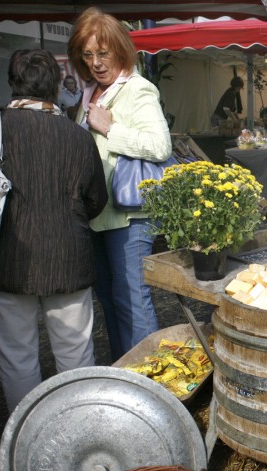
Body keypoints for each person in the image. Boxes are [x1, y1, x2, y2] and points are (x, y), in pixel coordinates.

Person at [0, 49, 108, 412]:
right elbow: (97, 199)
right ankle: (76, 425)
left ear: (13, 84)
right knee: (76, 354)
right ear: (57, 86)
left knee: (17, 356)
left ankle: (26, 431)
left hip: (7, 257)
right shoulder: (78, 136)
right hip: (68, 257)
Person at [69, 7, 173, 360]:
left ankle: (149, 377)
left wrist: (110, 128)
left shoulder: (138, 89)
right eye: (87, 55)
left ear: (120, 50)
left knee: (132, 299)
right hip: (96, 213)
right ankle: (123, 370)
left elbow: (159, 146)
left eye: (103, 53)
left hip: (129, 214)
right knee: (110, 298)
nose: (96, 63)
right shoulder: (90, 91)